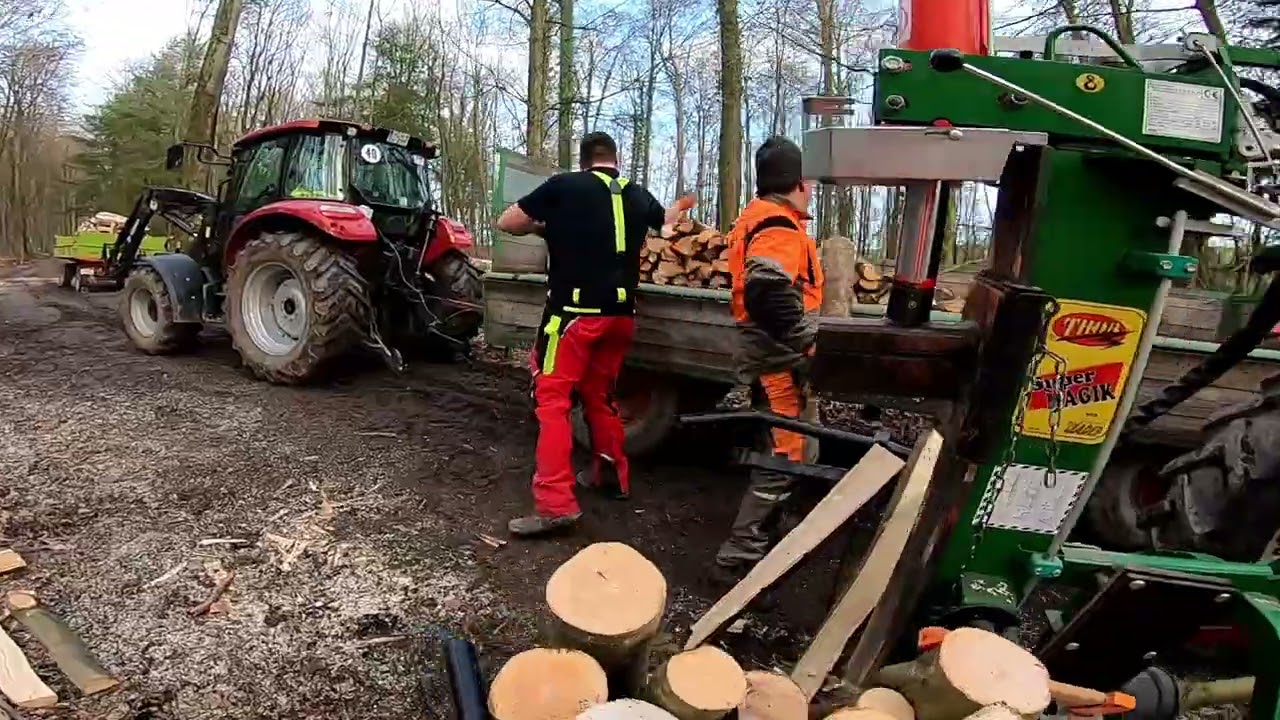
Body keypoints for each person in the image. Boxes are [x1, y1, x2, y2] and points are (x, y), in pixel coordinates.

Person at [496, 132, 695, 537]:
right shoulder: (638, 195)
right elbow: (668, 223)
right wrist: (679, 206)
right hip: (620, 317)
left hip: (572, 316)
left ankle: (555, 504)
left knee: (551, 400)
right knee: (599, 395)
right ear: (614, 159)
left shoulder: (564, 186)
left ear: (584, 160)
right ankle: (611, 475)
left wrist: (545, 228)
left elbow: (508, 221)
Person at [714, 135, 825, 582]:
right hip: (780, 363)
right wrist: (806, 343)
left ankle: (774, 528)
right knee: (786, 455)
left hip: (775, 359)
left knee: (801, 447)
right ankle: (738, 558)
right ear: (799, 182)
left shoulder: (758, 218)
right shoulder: (778, 226)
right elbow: (766, 288)